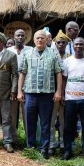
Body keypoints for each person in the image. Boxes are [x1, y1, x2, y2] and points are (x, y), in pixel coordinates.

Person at [18, 29, 64, 158]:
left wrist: (58, 91)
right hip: (30, 93)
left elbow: (58, 73)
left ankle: (44, 148)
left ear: (47, 39)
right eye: (37, 38)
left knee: (46, 123)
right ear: (33, 40)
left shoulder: (53, 53)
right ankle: (31, 147)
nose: (40, 40)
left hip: (47, 94)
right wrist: (19, 91)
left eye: (42, 38)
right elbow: (22, 73)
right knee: (30, 122)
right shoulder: (27, 53)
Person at [62, 38, 84, 161]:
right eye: (76, 44)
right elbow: (64, 79)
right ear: (73, 45)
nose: (78, 46)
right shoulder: (67, 61)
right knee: (68, 126)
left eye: (81, 44)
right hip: (70, 98)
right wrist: (62, 95)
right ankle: (67, 150)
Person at [9, 28, 32, 147]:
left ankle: (29, 141)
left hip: (26, 87)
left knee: (27, 114)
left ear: (25, 38)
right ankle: (13, 139)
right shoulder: (8, 51)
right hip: (12, 87)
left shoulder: (30, 50)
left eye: (22, 35)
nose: (20, 37)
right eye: (18, 35)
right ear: (14, 37)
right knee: (12, 114)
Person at [50, 30, 71, 151]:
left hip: (67, 92)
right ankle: (52, 143)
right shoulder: (51, 56)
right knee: (52, 119)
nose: (61, 44)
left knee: (64, 120)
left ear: (67, 44)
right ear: (55, 44)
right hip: (53, 92)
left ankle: (63, 142)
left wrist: (64, 93)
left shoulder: (71, 57)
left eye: (63, 42)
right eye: (58, 42)